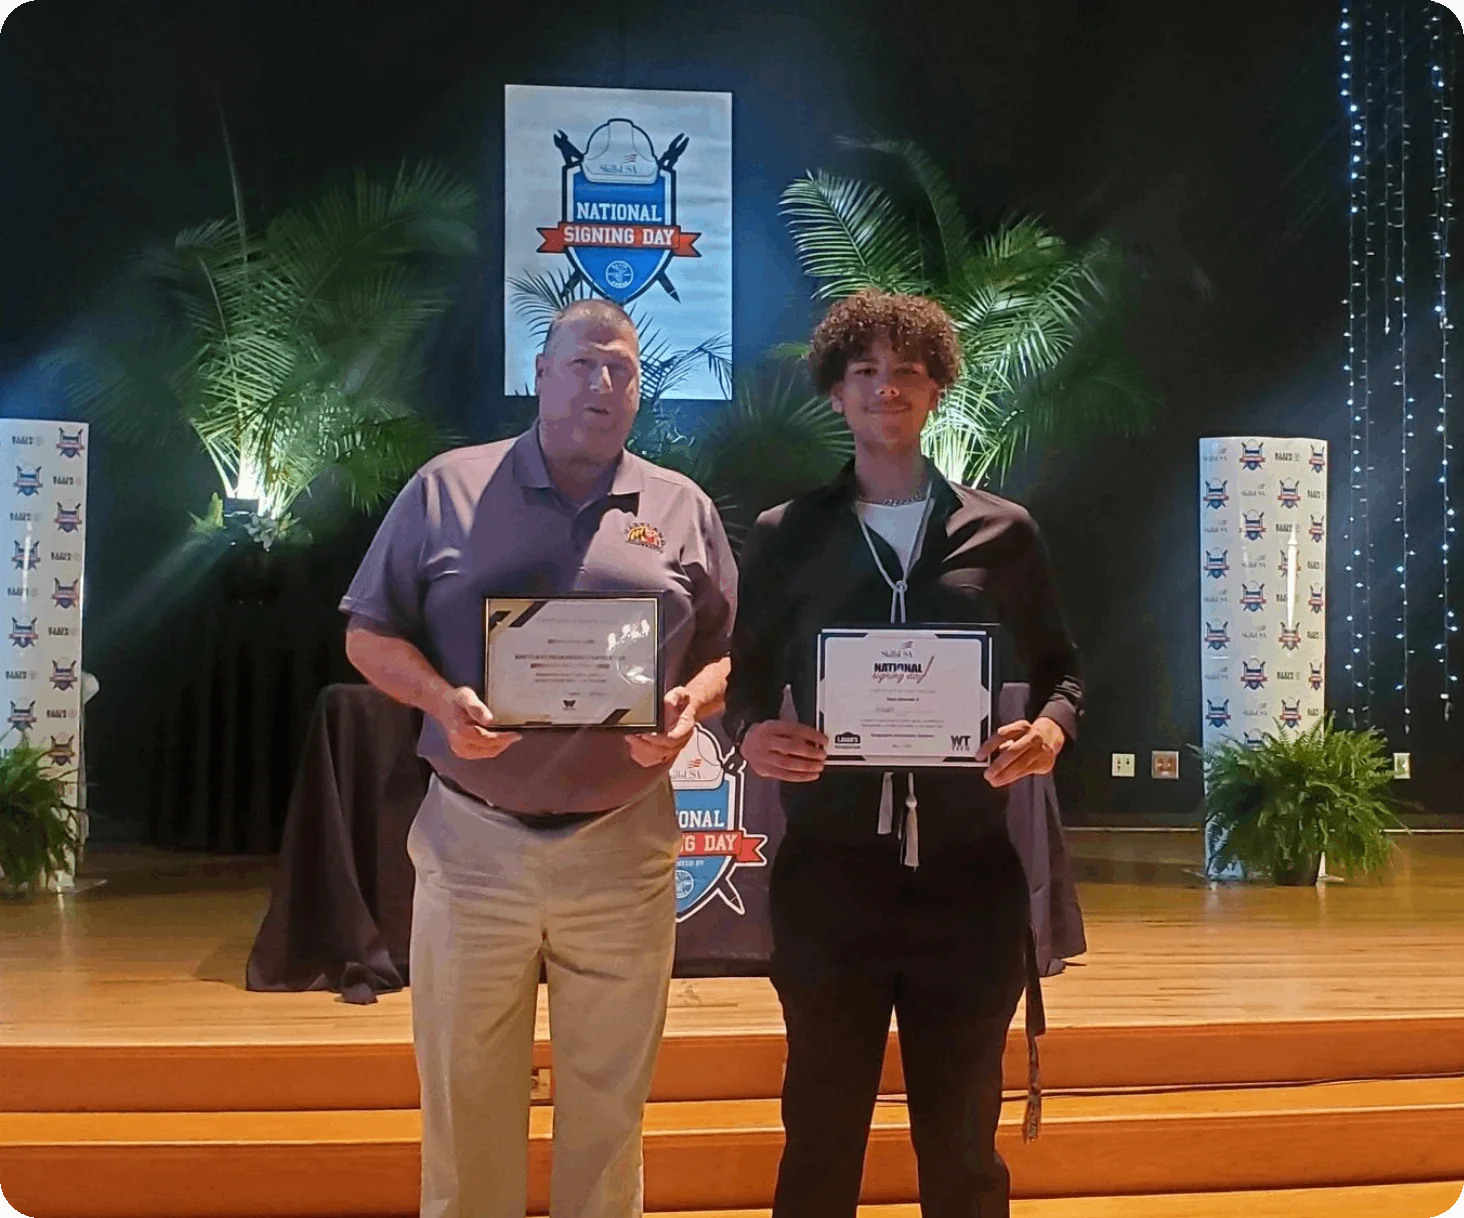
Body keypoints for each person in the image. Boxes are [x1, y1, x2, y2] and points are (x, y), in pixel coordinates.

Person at [340, 298, 736, 1218]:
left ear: (641, 391)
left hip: (622, 843)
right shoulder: (447, 487)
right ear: (541, 374)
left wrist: (690, 704)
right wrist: (441, 698)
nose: (604, 384)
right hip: (473, 846)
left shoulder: (681, 508)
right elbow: (368, 633)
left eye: (623, 370)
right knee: (465, 1102)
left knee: (610, 1110)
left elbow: (725, 651)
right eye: (585, 364)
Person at [722, 289, 1083, 1218]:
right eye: (866, 371)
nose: (888, 387)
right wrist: (753, 732)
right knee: (820, 1140)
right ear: (836, 395)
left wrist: (1049, 730)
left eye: (908, 372)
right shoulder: (784, 533)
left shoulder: (1005, 532)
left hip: (969, 883)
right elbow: (748, 679)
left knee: (963, 1151)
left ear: (936, 393)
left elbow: (1064, 674)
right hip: (829, 883)